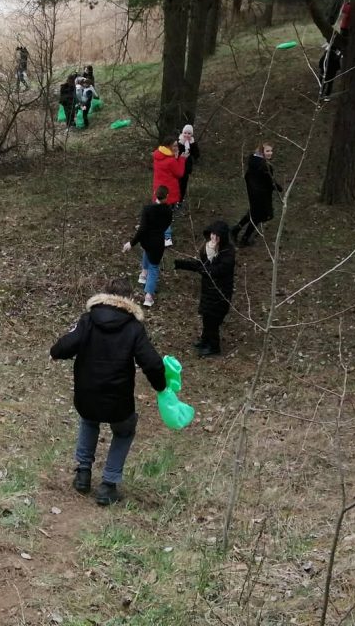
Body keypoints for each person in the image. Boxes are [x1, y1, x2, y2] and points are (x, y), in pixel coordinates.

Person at [50, 277, 167, 506]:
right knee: (124, 430)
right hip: (118, 399)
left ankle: (83, 473)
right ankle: (109, 484)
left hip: (87, 394)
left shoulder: (88, 320)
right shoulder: (134, 328)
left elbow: (66, 344)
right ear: (129, 300)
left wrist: (55, 353)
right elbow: (152, 363)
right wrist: (160, 386)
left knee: (89, 419)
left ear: (105, 296)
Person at [174, 220, 235, 357]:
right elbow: (201, 265)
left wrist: (211, 255)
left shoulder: (228, 253)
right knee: (206, 318)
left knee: (213, 320)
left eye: (217, 236)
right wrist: (179, 264)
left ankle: (214, 347)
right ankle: (205, 340)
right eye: (212, 235)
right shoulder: (209, 248)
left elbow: (214, 271)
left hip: (220, 293)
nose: (213, 239)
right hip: (208, 291)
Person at [123, 185, 173, 308]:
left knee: (147, 252)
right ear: (167, 196)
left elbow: (142, 229)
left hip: (146, 241)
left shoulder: (147, 209)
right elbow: (167, 225)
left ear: (155, 194)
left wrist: (132, 242)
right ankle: (148, 296)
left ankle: (143, 274)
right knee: (154, 267)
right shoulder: (168, 211)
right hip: (157, 243)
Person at [231, 142, 282, 247]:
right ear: (261, 152)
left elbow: (248, 177)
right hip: (260, 195)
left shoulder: (253, 162)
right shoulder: (264, 166)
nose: (270, 153)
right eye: (267, 151)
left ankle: (237, 231)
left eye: (271, 151)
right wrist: (278, 187)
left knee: (254, 214)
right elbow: (269, 181)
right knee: (258, 216)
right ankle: (243, 238)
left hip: (254, 194)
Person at [151, 135, 187, 247]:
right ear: (169, 146)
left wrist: (175, 158)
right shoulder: (170, 161)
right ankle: (167, 238)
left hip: (158, 190)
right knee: (166, 215)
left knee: (157, 211)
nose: (177, 147)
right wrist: (182, 159)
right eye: (175, 145)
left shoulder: (157, 155)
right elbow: (179, 173)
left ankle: (154, 230)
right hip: (168, 192)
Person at [175, 124, 200, 209]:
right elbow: (175, 153)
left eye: (189, 133)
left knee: (183, 184)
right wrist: (181, 144)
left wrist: (193, 144)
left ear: (191, 134)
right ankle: (173, 199)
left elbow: (197, 155)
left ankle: (180, 200)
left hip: (186, 167)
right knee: (176, 183)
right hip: (177, 166)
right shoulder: (178, 142)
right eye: (185, 133)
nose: (187, 135)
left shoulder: (192, 143)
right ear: (182, 133)